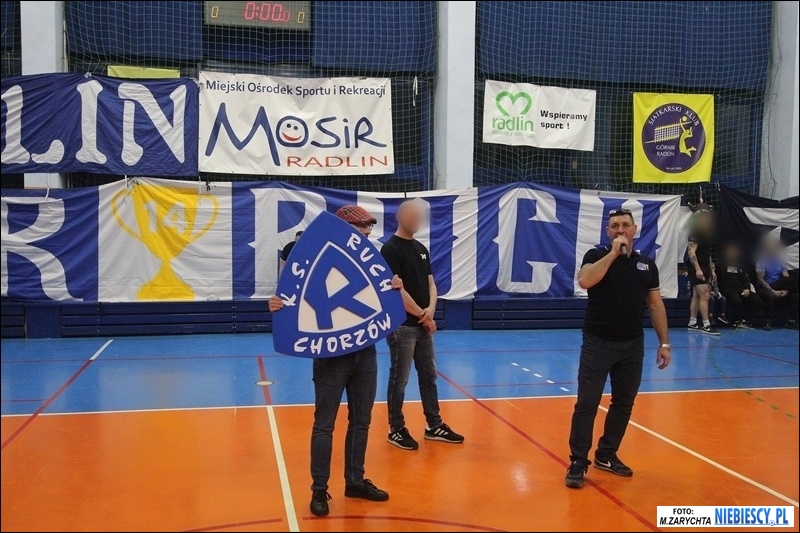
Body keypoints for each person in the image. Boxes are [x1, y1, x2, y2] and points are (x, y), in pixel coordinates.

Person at [269, 205, 402, 517]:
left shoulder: (368, 262)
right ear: (341, 229)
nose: (365, 235)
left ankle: (355, 480)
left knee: (362, 420)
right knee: (324, 424)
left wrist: (395, 288)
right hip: (330, 356)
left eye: (368, 230)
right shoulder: (316, 254)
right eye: (360, 229)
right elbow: (291, 298)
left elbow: (383, 300)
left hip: (365, 352)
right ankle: (319, 489)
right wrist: (277, 304)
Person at [566, 208, 671, 489]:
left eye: (625, 225)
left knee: (624, 403)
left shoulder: (646, 265)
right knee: (587, 403)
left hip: (633, 345)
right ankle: (578, 460)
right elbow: (585, 280)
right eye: (615, 226)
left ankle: (606, 454)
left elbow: (655, 304)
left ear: (635, 229)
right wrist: (613, 254)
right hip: (598, 343)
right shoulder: (595, 255)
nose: (620, 230)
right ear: (607, 232)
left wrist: (664, 343)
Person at [380, 200, 464, 450]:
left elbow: (431, 284)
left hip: (422, 325)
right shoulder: (390, 249)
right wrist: (422, 314)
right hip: (402, 327)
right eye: (411, 215)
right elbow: (396, 290)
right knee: (399, 380)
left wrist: (430, 311)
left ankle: (433, 425)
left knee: (429, 376)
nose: (415, 220)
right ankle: (396, 429)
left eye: (418, 216)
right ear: (399, 216)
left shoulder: (421, 248)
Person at [685, 206, 720, 335]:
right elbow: (691, 252)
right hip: (696, 268)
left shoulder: (706, 235)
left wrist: (712, 270)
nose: (708, 221)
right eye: (705, 219)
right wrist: (698, 270)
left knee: (697, 295)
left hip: (705, 267)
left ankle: (692, 322)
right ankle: (706, 324)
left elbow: (707, 254)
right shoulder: (695, 233)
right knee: (705, 295)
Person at [755, 237, 799, 330]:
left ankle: (792, 321)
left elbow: (787, 278)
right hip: (765, 287)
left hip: (779, 285)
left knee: (795, 295)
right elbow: (761, 280)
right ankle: (768, 321)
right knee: (770, 296)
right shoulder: (761, 261)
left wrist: (786, 290)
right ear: (767, 249)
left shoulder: (780, 261)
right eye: (772, 248)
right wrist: (773, 291)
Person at [716, 243, 763, 328]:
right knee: (736, 301)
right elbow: (718, 279)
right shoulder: (720, 264)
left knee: (757, 301)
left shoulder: (740, 265)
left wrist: (747, 289)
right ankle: (735, 321)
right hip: (727, 288)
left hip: (740, 288)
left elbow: (745, 279)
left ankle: (745, 320)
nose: (733, 253)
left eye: (735, 251)